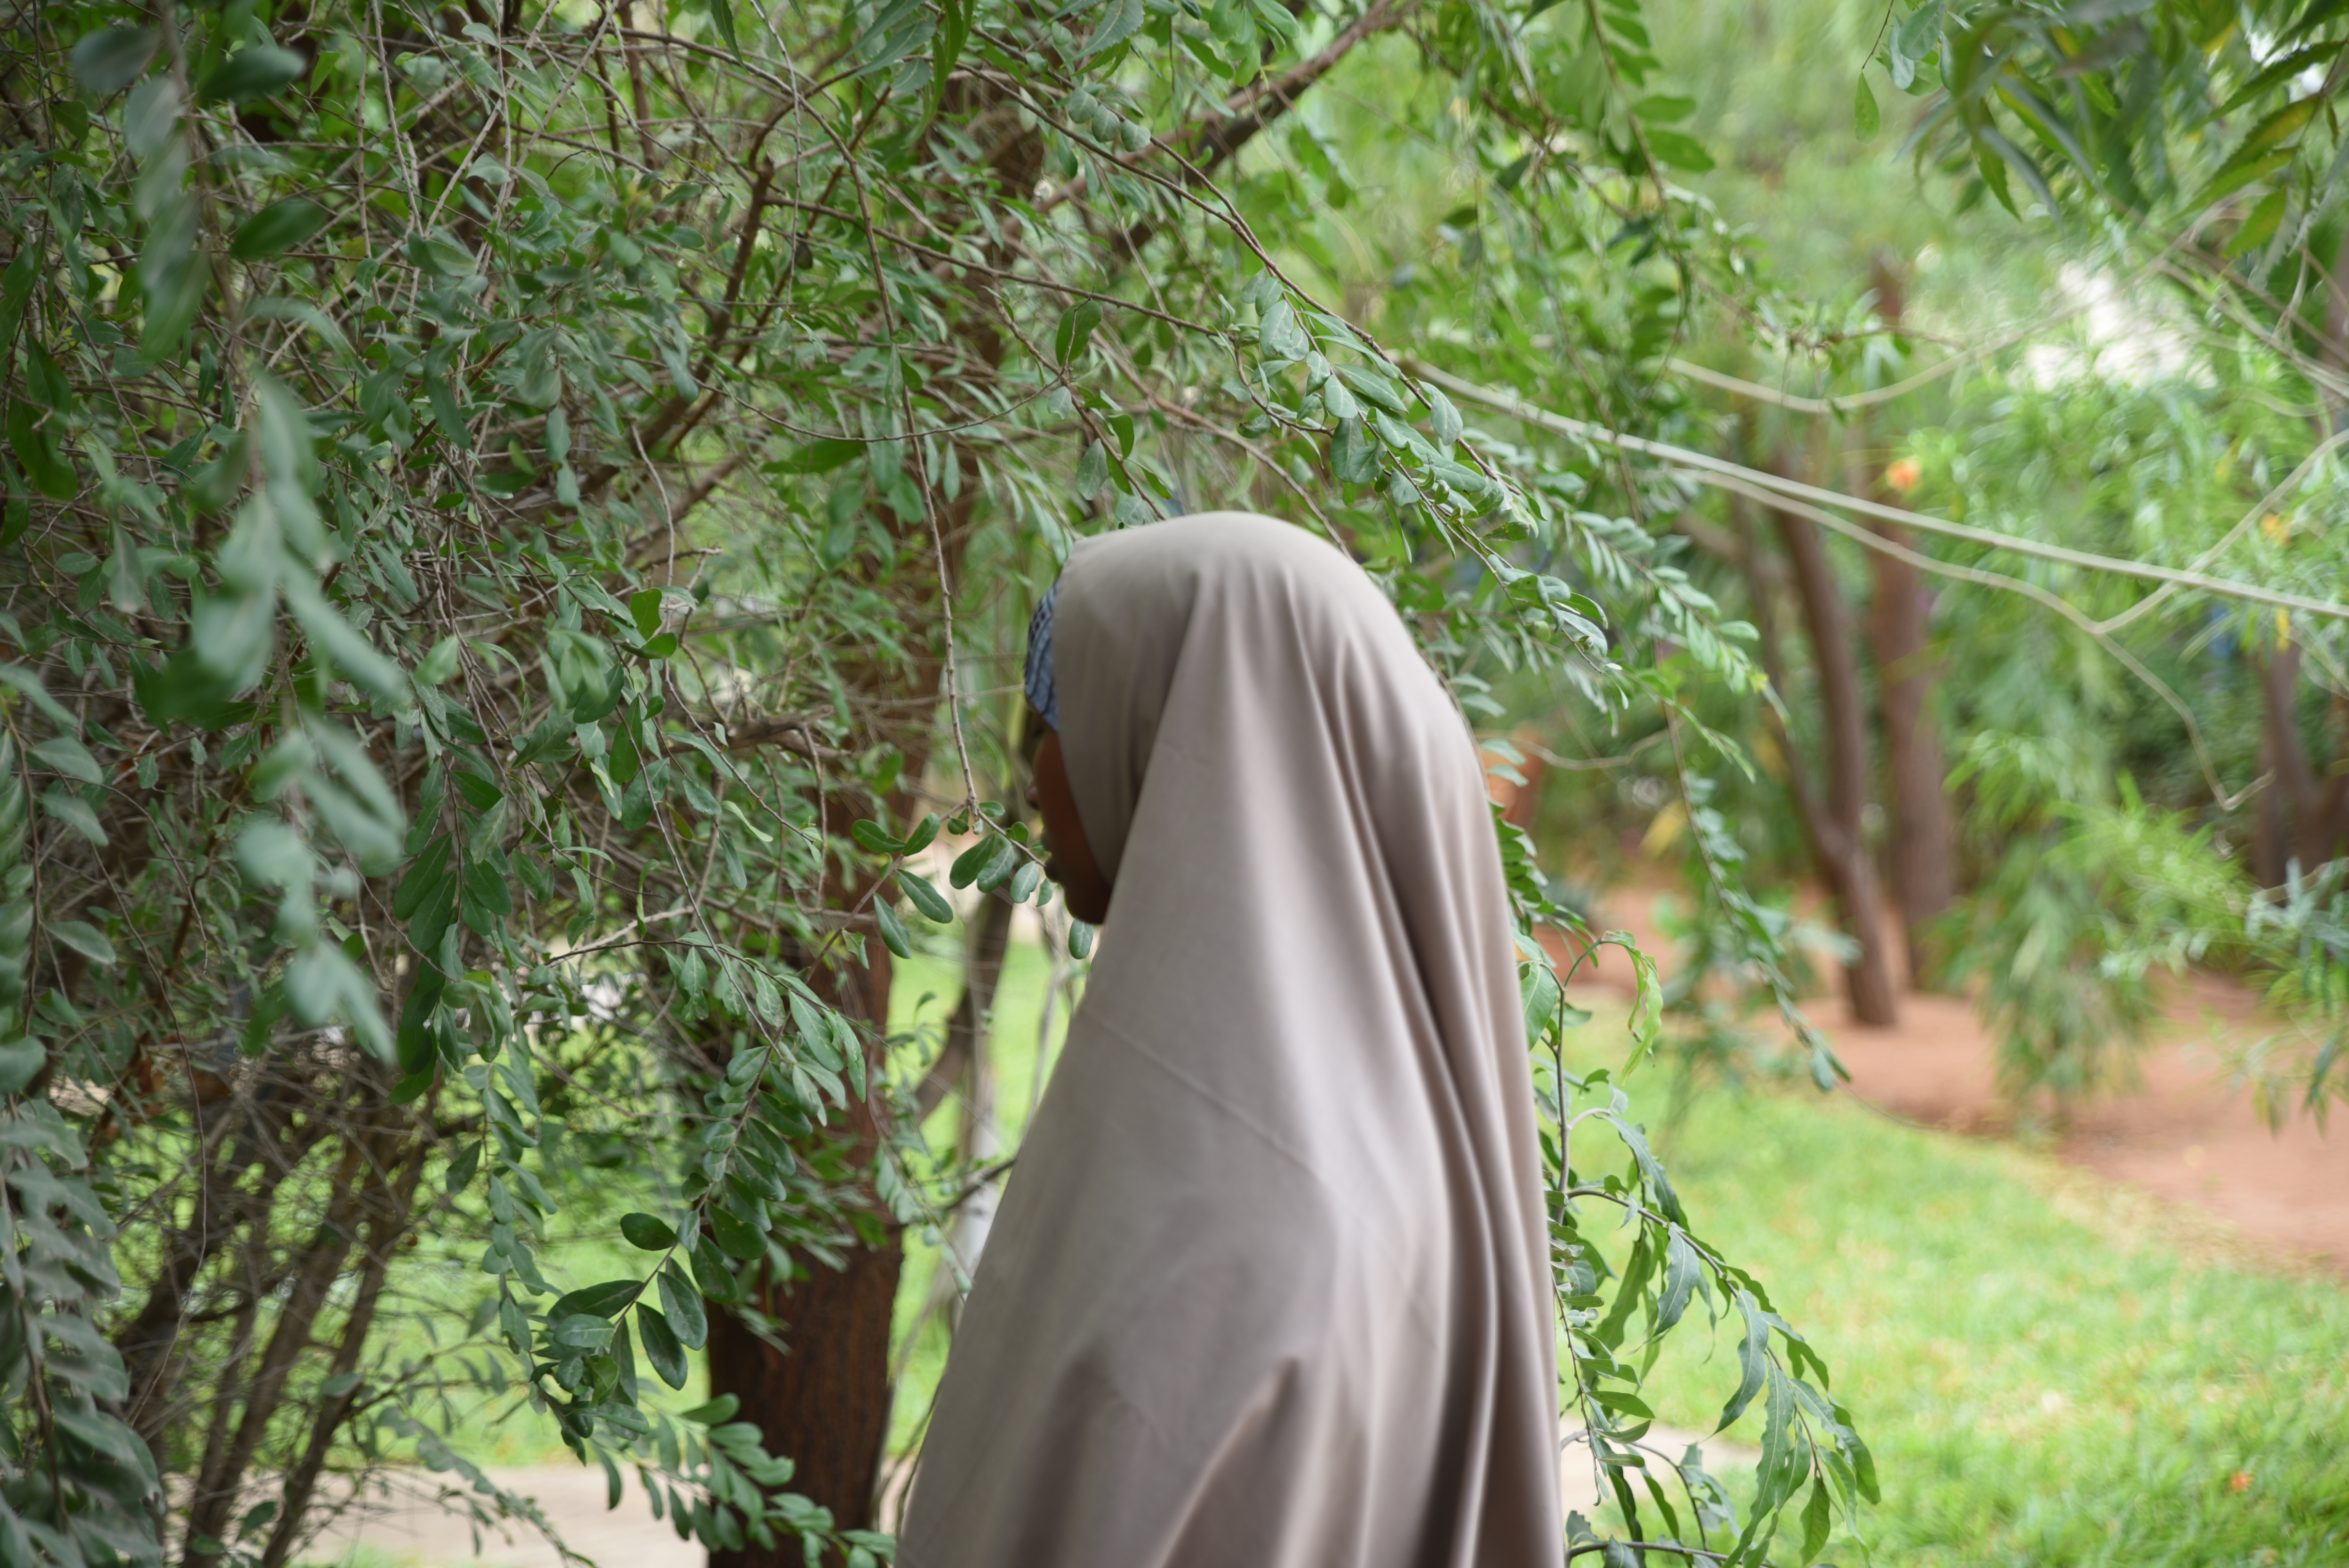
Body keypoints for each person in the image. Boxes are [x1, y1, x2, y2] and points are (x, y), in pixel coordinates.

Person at [896, 513, 1560, 1568]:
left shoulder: (1237, 1232)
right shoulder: (1363, 1156)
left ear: (1183, 733)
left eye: (1054, 721)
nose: (1034, 782)